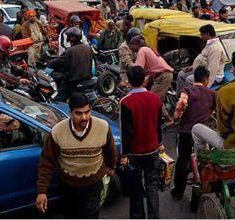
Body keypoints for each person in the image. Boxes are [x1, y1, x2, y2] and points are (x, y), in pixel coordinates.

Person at [36, 92, 118, 218]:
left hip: (93, 186)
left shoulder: (102, 127)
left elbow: (110, 150)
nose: (84, 117)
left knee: (90, 215)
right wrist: (42, 191)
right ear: (70, 112)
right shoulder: (57, 131)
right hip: (68, 187)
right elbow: (47, 161)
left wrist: (111, 167)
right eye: (79, 113)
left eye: (87, 112)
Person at [120, 66, 163, 219]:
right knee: (152, 186)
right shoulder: (155, 98)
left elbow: (127, 132)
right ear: (144, 79)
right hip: (153, 149)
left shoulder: (125, 102)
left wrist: (124, 154)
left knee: (136, 190)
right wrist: (160, 142)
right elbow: (158, 124)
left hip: (135, 153)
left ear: (129, 81)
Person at [171, 66, 216, 200]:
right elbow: (218, 110)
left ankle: (178, 191)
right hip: (202, 134)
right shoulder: (212, 94)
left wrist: (176, 117)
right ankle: (198, 195)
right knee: (203, 162)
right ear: (205, 80)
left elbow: (181, 105)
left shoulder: (187, 90)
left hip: (186, 131)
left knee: (182, 160)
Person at [176, 24, 226, 93]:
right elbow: (204, 60)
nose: (201, 37)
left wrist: (207, 85)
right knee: (181, 74)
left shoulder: (215, 48)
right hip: (201, 70)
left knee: (189, 79)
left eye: (202, 35)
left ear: (208, 34)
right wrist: (192, 67)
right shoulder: (209, 44)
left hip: (212, 76)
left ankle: (190, 100)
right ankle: (180, 96)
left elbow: (213, 69)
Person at [48, 27, 94, 102]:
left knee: (59, 98)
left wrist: (49, 63)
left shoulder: (70, 51)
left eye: (69, 36)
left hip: (73, 80)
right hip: (87, 77)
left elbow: (59, 62)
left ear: (71, 38)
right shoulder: (88, 48)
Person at [130, 35, 173, 105]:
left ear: (136, 44)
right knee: (154, 100)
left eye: (131, 45)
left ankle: (166, 116)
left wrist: (130, 81)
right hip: (163, 75)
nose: (130, 47)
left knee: (153, 101)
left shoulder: (142, 50)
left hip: (162, 76)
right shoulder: (147, 48)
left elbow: (137, 70)